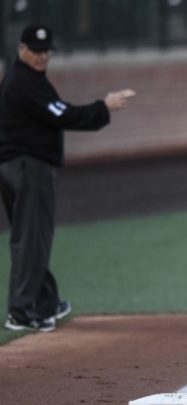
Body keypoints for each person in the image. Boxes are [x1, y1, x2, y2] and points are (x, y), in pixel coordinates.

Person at [0, 24, 136, 332]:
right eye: (36, 51)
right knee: (31, 239)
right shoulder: (25, 82)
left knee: (33, 238)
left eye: (46, 51)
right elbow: (63, 115)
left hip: (20, 165)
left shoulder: (24, 77)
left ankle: (45, 301)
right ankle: (21, 312)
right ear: (22, 49)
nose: (41, 56)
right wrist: (105, 106)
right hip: (27, 167)